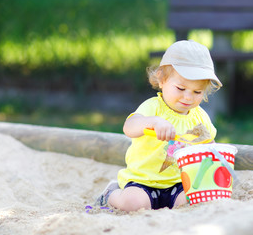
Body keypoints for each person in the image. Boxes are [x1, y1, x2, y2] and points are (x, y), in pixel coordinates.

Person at [95, 40, 222, 211]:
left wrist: (215, 158)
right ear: (162, 80)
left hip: (179, 182)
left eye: (197, 92)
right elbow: (129, 127)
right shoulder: (153, 107)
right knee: (133, 204)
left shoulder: (200, 117)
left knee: (194, 200)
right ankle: (111, 194)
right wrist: (153, 122)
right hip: (144, 181)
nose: (188, 97)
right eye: (181, 88)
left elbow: (208, 146)